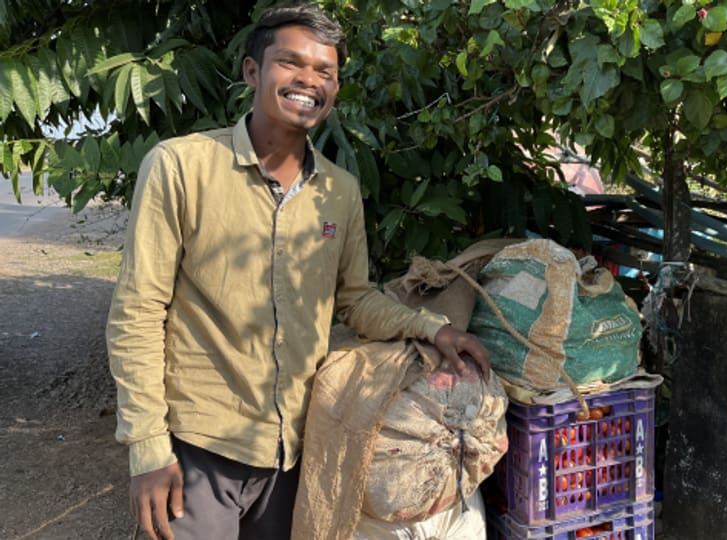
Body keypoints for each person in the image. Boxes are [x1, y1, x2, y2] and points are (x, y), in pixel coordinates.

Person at [105, 4, 491, 540]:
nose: (308, 81)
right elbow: (138, 311)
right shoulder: (181, 166)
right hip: (201, 448)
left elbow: (356, 301)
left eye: (325, 72)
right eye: (291, 63)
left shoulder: (339, 191)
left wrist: (434, 329)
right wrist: (147, 449)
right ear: (252, 71)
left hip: (300, 450)